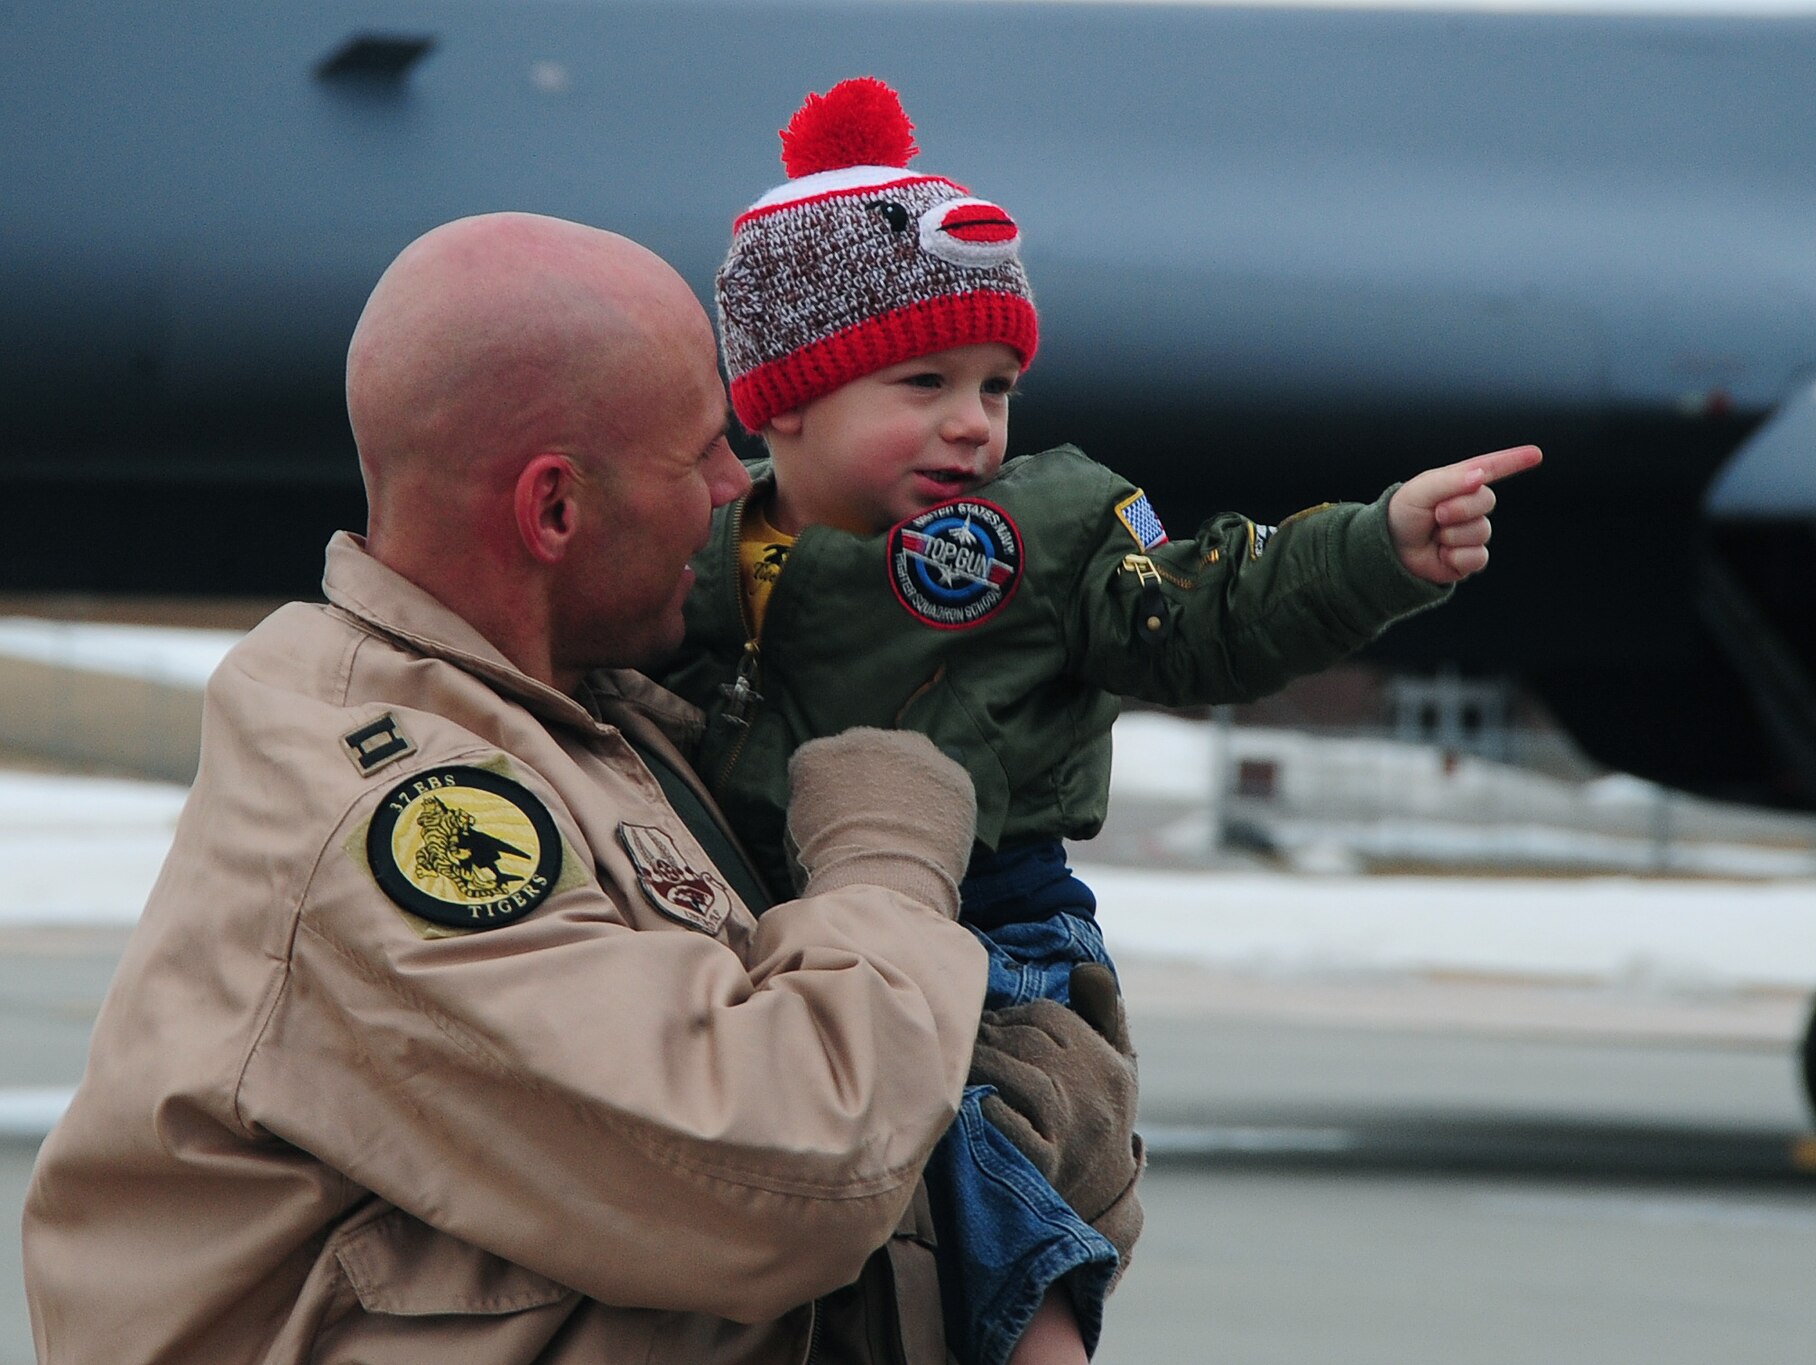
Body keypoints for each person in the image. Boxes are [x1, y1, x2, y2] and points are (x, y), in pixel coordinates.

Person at [18, 210, 1124, 1365]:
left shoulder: (601, 725)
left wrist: (1011, 1123)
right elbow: (790, 1176)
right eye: (697, 452)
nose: (727, 489)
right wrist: (888, 851)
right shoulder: (403, 807)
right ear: (554, 510)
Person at [662, 78, 1542, 1365]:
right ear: (785, 397)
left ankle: (1046, 1343)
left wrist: (1377, 549)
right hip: (749, 910)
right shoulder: (694, 546)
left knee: (970, 1139)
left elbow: (1207, 611)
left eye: (998, 384)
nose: (974, 422)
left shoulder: (1043, 535)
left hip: (986, 921)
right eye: (925, 380)